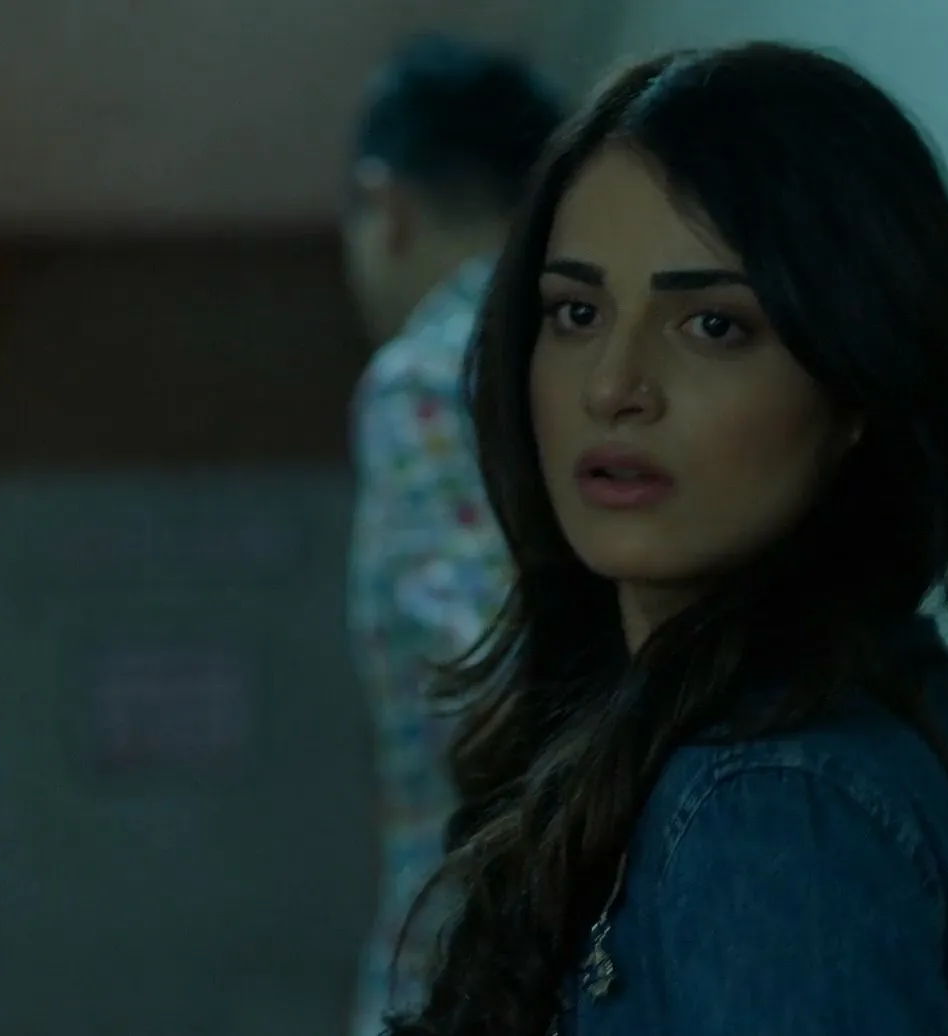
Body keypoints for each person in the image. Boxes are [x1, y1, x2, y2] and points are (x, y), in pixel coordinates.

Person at [385, 43, 948, 1036]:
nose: (614, 386)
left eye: (712, 327)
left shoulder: (772, 803)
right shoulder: (851, 685)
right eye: (576, 312)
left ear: (855, 381)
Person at [340, 34, 566, 1036]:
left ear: (384, 204)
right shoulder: (591, 359)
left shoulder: (426, 381)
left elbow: (484, 662)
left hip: (475, 965)